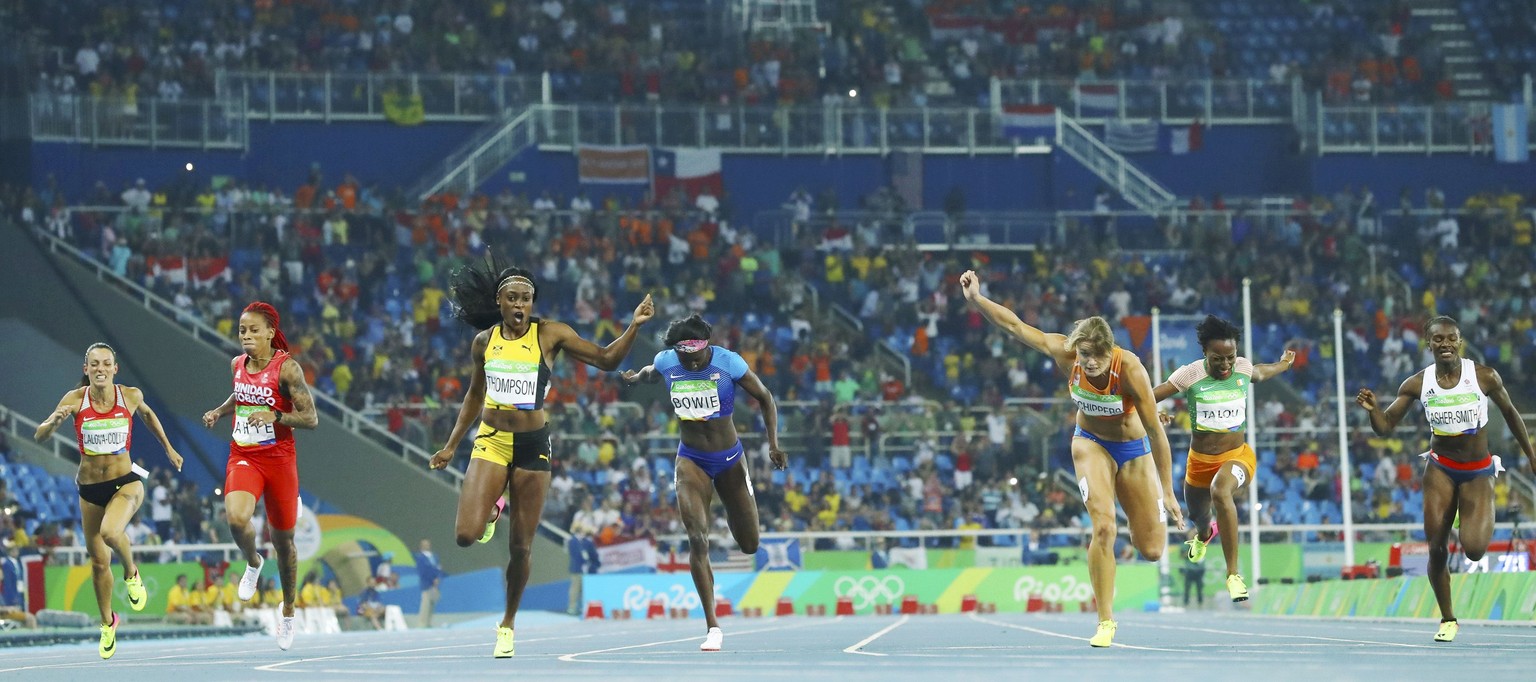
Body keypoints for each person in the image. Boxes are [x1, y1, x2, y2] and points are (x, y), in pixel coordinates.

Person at [430, 257, 654, 658]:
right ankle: (492, 508)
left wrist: (634, 326)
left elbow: (606, 360)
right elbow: (474, 396)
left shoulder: (550, 334)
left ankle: (507, 624)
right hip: (492, 439)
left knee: (521, 547)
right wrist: (450, 444)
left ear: (533, 303)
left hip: (533, 445)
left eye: (527, 299)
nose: (520, 305)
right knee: (465, 535)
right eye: (512, 298)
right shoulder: (484, 341)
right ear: (499, 301)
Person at [959, 270, 1181, 648]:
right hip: (1090, 442)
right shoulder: (1066, 352)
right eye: (1084, 355)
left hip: (1134, 448)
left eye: (1097, 356)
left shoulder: (1130, 370)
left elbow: (1157, 435)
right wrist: (977, 299)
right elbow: (1015, 326)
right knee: (1103, 528)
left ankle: (1136, 511)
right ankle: (1105, 620)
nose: (1090, 363)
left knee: (1153, 550)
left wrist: (1168, 491)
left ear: (1110, 351)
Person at [1355, 315, 1535, 643]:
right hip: (1440, 469)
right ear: (1429, 344)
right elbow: (1384, 427)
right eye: (1438, 339)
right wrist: (1371, 410)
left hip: (1478, 471)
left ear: (1460, 342)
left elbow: (1511, 414)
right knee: (1436, 548)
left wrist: (1532, 456)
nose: (1445, 344)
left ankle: (1470, 511)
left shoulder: (1484, 377)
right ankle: (1448, 618)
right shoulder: (1416, 384)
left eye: (1451, 338)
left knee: (1476, 550)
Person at [621, 314, 788, 652]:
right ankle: (713, 626)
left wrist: (773, 443)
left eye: (697, 356)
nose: (692, 362)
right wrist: (636, 377)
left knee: (750, 544)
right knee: (697, 538)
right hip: (691, 460)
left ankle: (730, 506)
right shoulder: (667, 361)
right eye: (686, 357)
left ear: (707, 346)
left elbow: (765, 397)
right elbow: (653, 373)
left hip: (729, 460)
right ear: (676, 353)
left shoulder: (729, 363)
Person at [33, 342, 184, 659]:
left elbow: (148, 416)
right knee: (99, 562)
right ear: (86, 370)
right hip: (89, 490)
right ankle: (108, 623)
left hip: (127, 481)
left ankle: (132, 574)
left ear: (115, 369)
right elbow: (39, 436)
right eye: (94, 364)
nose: (100, 369)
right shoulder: (74, 400)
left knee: (111, 533)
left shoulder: (129, 395)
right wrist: (54, 422)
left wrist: (169, 449)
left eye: (106, 363)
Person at [201, 301, 318, 651]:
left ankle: (288, 611)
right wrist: (220, 412)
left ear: (270, 332)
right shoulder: (237, 364)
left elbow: (310, 419)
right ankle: (253, 561)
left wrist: (275, 417)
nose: (246, 336)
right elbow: (240, 394)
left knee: (284, 542)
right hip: (244, 456)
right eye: (242, 330)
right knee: (236, 519)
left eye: (254, 330)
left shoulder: (288, 370)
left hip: (279, 461)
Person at [1152, 315, 1294, 602]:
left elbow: (1261, 373)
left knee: (1220, 490)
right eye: (1218, 359)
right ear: (1205, 353)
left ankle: (1233, 575)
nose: (1226, 364)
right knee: (1199, 518)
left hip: (1238, 456)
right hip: (1200, 462)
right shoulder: (1189, 375)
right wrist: (1153, 415)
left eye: (1231, 356)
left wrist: (1284, 364)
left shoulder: (1241, 368)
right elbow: (1148, 397)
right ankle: (1204, 535)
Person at [414, 539, 443, 628]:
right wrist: (431, 580)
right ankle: (422, 624)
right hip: (426, 584)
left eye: (428, 544)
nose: (426, 546)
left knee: (432, 605)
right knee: (425, 605)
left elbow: (438, 568)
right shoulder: (420, 558)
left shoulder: (434, 556)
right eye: (424, 544)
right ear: (421, 546)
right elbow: (423, 571)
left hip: (435, 584)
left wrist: (438, 578)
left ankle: (429, 623)